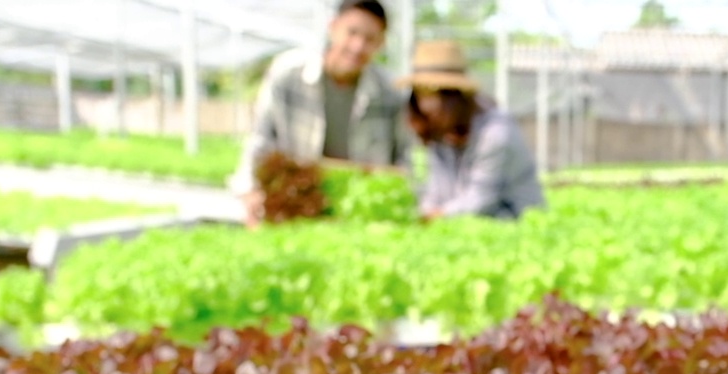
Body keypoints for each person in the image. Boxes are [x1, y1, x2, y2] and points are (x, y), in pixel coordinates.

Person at [230, 0, 411, 227]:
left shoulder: (390, 92)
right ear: (333, 27)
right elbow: (261, 138)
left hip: (359, 213)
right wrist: (250, 190)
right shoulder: (289, 75)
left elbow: (403, 157)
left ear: (381, 43)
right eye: (352, 32)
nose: (358, 46)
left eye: (370, 39)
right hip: (297, 201)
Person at [397, 40, 546, 221]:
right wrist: (425, 212)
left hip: (513, 219)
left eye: (434, 94)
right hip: (465, 223)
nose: (425, 104)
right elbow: (437, 189)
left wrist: (437, 216)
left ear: (456, 97)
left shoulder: (495, 133)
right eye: (420, 93)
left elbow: (482, 200)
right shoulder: (440, 132)